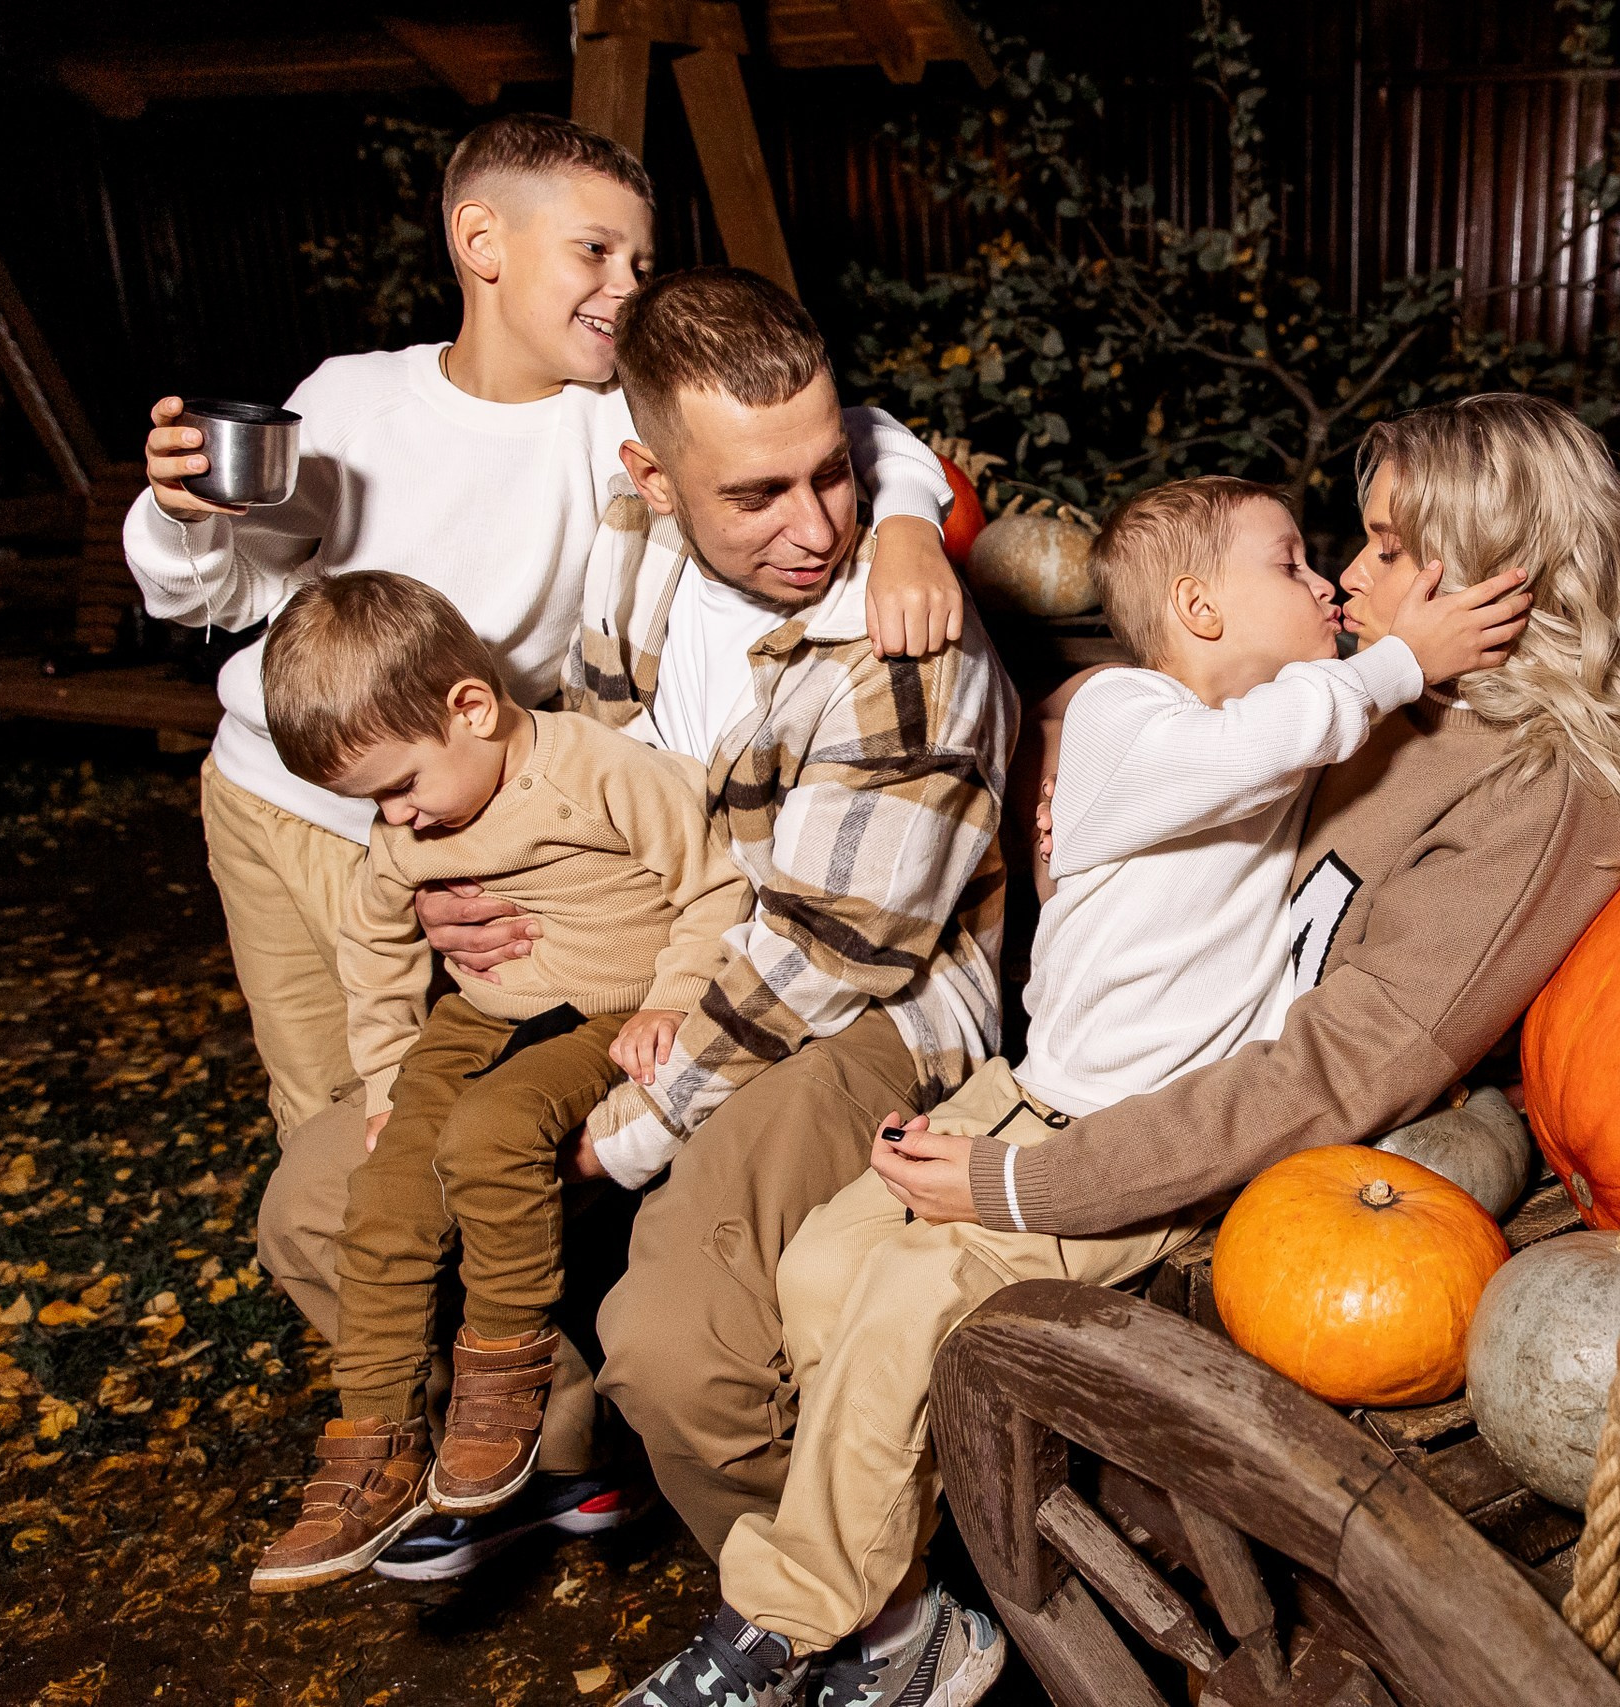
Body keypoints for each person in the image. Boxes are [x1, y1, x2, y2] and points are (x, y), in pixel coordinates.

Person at [615, 392, 1620, 1705]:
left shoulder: (1537, 793)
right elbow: (1188, 686)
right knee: (830, 1260)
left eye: (1389, 548)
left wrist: (1035, 1186)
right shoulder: (1383, 696)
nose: (1350, 578)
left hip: (1204, 1155)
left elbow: (1335, 1071)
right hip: (1085, 1080)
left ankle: (781, 1624)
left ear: (1499, 574)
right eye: (1345, 547)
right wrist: (1082, 737)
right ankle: (900, 1614)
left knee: (901, 1308)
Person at [125, 114, 962, 1564]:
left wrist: (908, 518)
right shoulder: (361, 402)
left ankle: (571, 1457)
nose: (624, 285)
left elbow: (826, 427)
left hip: (560, 861)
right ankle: (461, 1433)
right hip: (317, 807)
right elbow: (222, 585)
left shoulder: (611, 427)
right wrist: (181, 506)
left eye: (641, 257)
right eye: (595, 251)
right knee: (340, 1128)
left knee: (481, 1155)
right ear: (480, 245)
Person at [374, 266, 1016, 1597]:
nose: (816, 526)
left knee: (674, 1341)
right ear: (653, 478)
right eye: (759, 494)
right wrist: (486, 874)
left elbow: (830, 958)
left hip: (868, 1012)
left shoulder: (905, 652)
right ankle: (549, 1461)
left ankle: (854, 1611)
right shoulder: (635, 540)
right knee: (335, 1196)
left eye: (836, 475)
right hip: (661, 960)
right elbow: (592, 751)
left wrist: (625, 1132)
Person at [242, 571, 749, 1591]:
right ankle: (375, 1440)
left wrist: (671, 1001)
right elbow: (374, 951)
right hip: (478, 1013)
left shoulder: (596, 771)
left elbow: (715, 882)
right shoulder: (403, 827)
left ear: (470, 707)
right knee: (385, 1190)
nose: (396, 819)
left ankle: (505, 1383)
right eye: (373, 802)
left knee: (491, 1133)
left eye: (401, 786)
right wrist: (388, 1083)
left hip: (603, 1009)